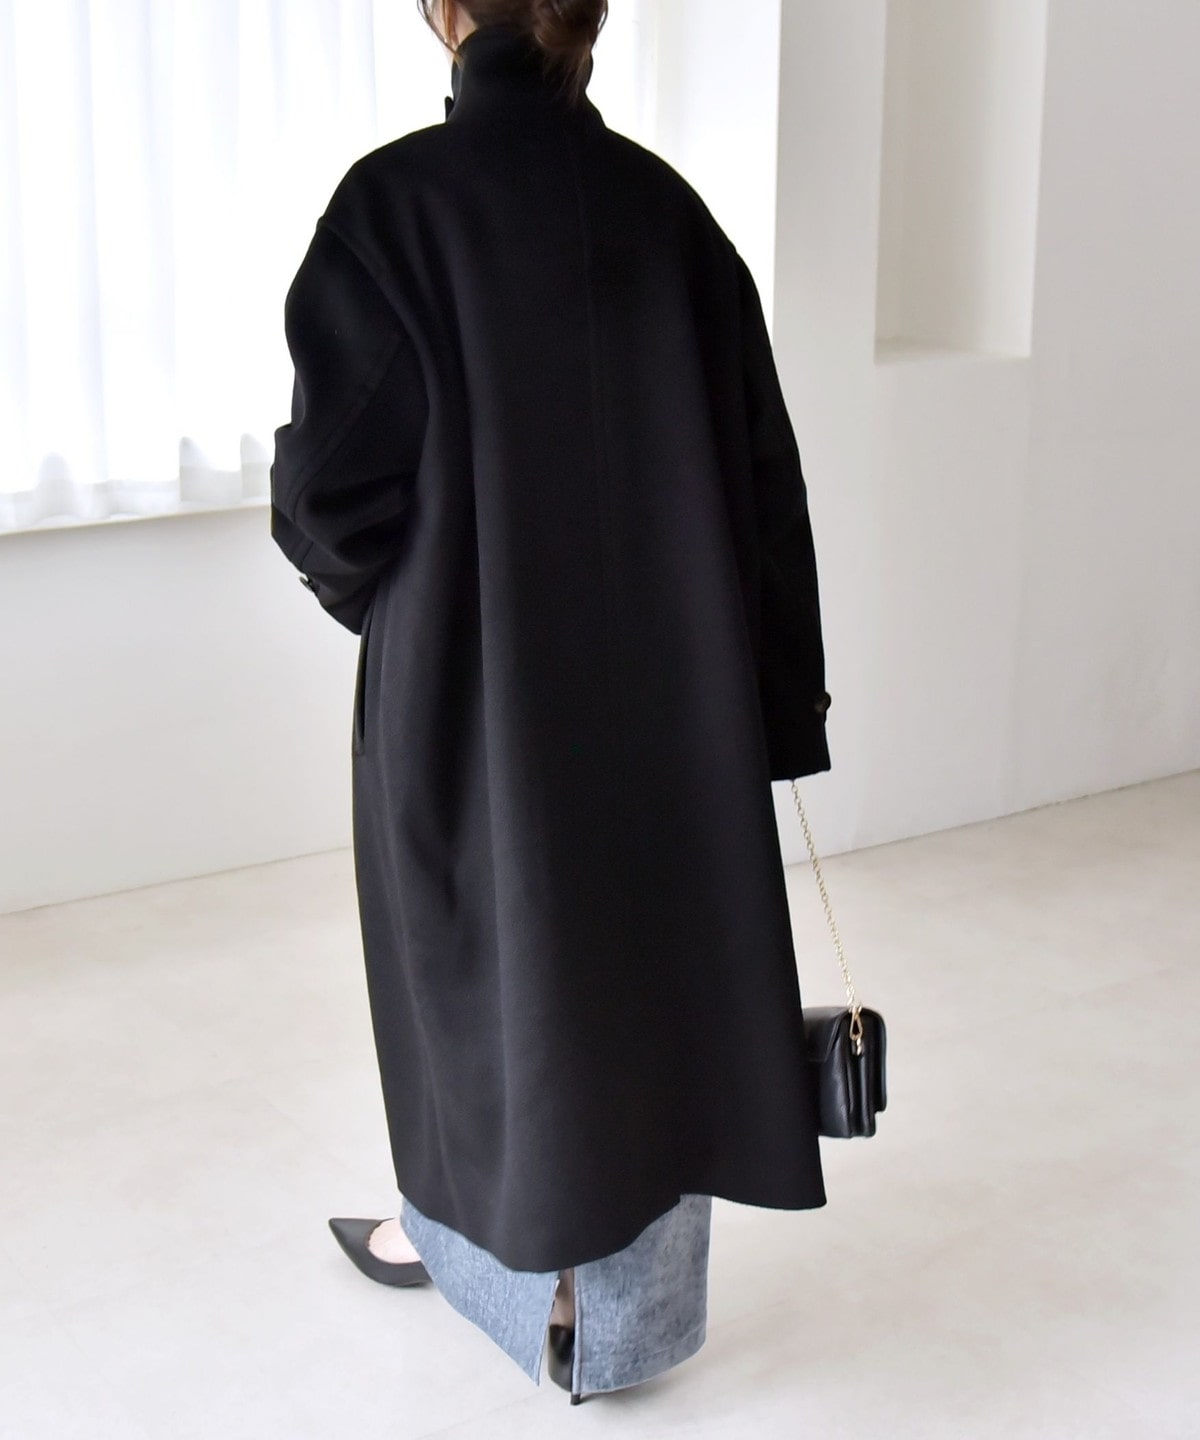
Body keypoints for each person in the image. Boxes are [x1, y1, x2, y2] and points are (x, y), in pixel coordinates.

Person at [270, 0, 833, 1405]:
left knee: (480, 975)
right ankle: (624, 1322)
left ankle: (484, 1258)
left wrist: (393, 606)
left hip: (474, 689)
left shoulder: (395, 209)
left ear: (448, 14)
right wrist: (774, 710)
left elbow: (329, 494)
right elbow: (766, 491)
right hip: (676, 689)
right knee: (651, 982)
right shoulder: (671, 218)